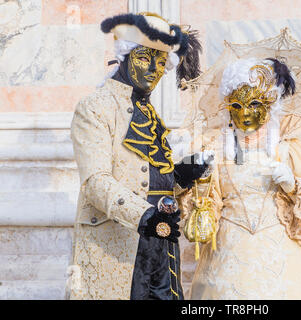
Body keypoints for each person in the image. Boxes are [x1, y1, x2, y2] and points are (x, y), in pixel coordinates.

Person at [68, 12, 208, 300]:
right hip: (122, 241)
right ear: (126, 56)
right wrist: (145, 216)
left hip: (162, 241)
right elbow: (96, 183)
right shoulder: (95, 107)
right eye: (145, 58)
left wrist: (180, 176)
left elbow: (150, 177)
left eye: (161, 62)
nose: (153, 70)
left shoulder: (150, 113)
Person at [180, 58, 301, 299]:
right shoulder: (214, 148)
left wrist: (292, 185)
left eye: (254, 103)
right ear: (228, 107)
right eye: (237, 106)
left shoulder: (288, 149)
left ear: (269, 105)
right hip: (225, 256)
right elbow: (202, 202)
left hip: (280, 258)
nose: (246, 113)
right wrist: (198, 184)